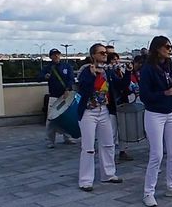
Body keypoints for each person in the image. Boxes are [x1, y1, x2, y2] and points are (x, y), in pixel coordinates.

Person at [139, 35, 172, 207]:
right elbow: (145, 95)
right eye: (166, 47)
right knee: (157, 153)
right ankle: (148, 192)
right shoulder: (148, 69)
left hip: (171, 112)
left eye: (170, 47)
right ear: (157, 48)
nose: (169, 49)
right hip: (154, 113)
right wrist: (164, 93)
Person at [76, 43, 128, 192]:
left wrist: (127, 73)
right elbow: (84, 88)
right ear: (93, 55)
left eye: (106, 53)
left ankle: (108, 174)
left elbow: (120, 85)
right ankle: (85, 180)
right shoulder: (86, 70)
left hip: (103, 110)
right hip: (88, 112)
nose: (105, 55)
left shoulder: (108, 71)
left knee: (108, 144)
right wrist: (93, 76)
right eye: (101, 53)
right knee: (88, 147)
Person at [39, 48, 76, 148]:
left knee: (67, 117)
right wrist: (44, 76)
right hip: (54, 96)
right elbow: (39, 77)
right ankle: (50, 141)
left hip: (65, 96)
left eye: (57, 54)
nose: (56, 56)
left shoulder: (66, 66)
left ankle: (67, 137)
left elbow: (71, 78)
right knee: (51, 119)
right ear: (50, 56)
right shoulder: (48, 67)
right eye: (54, 55)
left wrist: (67, 89)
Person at [106, 52, 134, 161]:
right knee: (112, 132)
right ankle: (110, 156)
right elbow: (118, 85)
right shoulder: (108, 72)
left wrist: (127, 72)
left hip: (122, 103)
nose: (116, 62)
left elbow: (125, 84)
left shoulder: (119, 72)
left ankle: (122, 151)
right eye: (113, 60)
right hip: (112, 105)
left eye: (117, 60)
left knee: (123, 130)